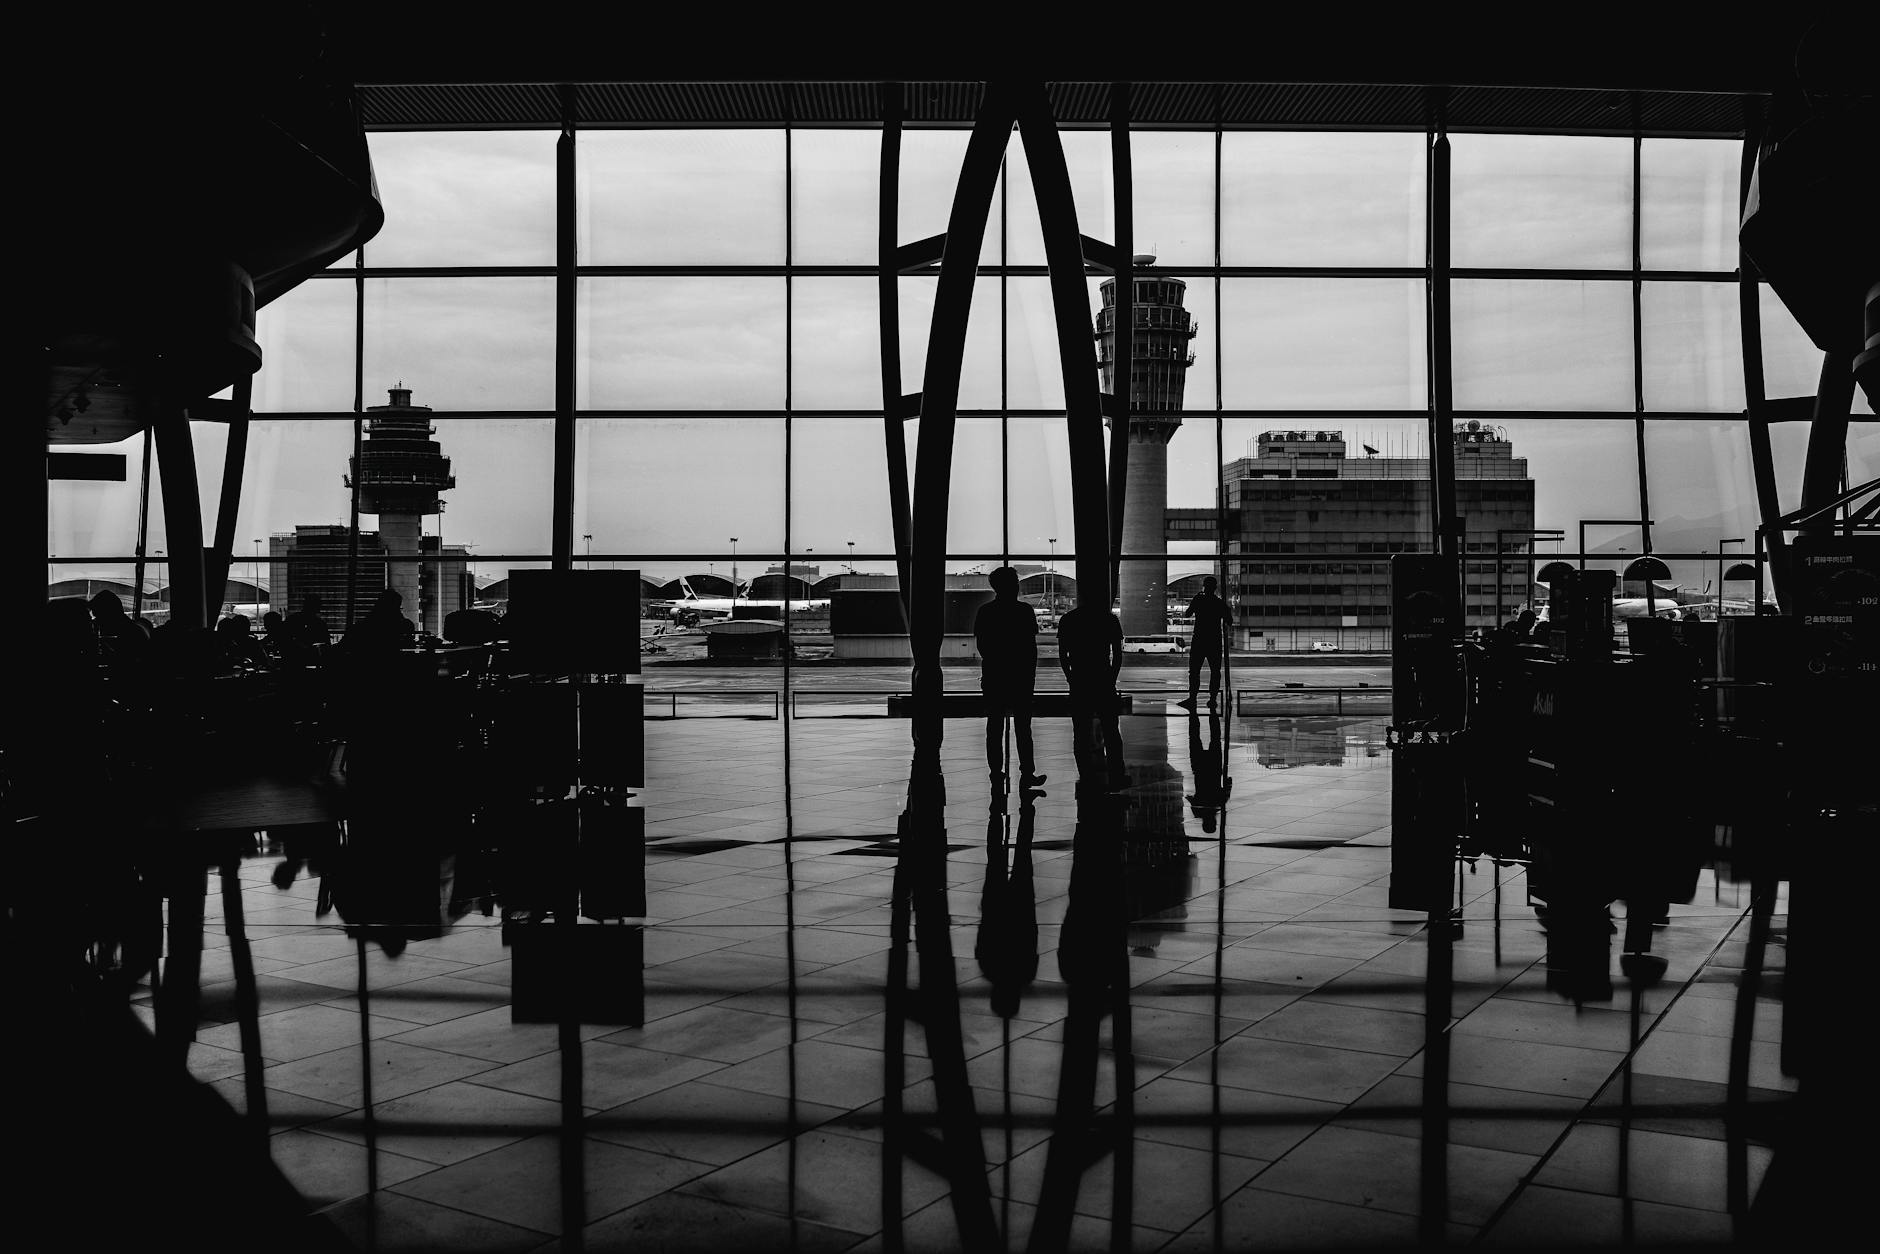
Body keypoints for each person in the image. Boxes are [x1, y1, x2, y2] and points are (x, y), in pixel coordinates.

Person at [973, 566, 1045, 794]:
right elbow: (1030, 648)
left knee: (994, 727)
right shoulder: (1024, 611)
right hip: (1020, 677)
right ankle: (1027, 772)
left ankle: (996, 772)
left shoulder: (985, 612)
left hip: (995, 676)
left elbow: (983, 646)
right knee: (1024, 727)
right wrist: (1029, 674)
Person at [1057, 599, 1127, 788]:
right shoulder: (1108, 619)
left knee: (1080, 731)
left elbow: (1063, 654)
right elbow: (1118, 654)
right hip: (1103, 678)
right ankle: (1116, 772)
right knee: (1111, 730)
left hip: (1080, 678)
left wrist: (1070, 677)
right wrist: (1112, 676)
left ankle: (1085, 776)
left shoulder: (1068, 619)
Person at [1177, 576, 1229, 711]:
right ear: (1215, 588)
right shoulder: (1219, 603)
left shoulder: (1199, 600)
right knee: (1215, 672)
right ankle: (1212, 700)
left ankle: (1192, 698)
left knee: (1194, 672)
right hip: (1214, 640)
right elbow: (1229, 620)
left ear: (1204, 587)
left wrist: (1195, 601)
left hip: (1199, 639)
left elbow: (1187, 614)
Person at [282, 593, 332, 665]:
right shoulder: (320, 623)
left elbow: (284, 637)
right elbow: (326, 643)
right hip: (314, 660)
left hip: (293, 660)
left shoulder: (293, 619)